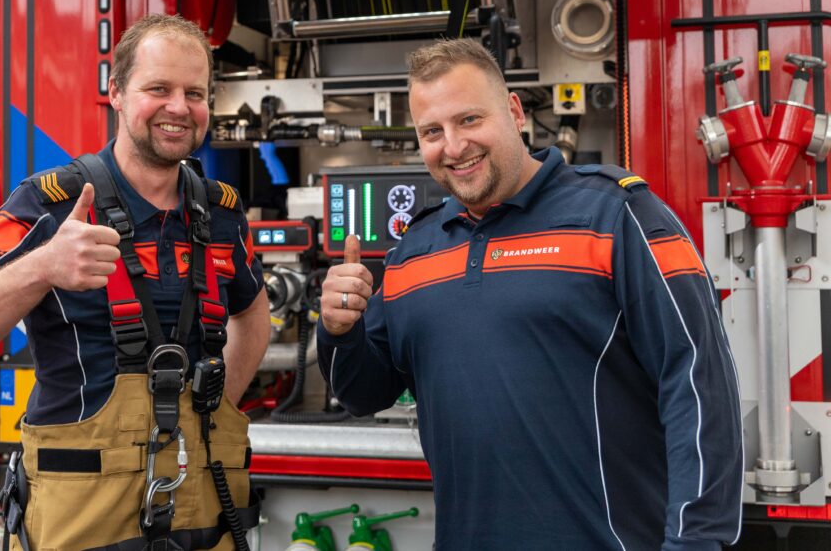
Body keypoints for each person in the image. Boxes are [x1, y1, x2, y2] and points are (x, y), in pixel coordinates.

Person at [318, 38, 743, 550]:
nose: (453, 146)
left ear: (515, 112)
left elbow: (697, 380)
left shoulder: (618, 215)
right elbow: (363, 394)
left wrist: (695, 542)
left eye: (469, 120)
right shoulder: (413, 252)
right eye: (432, 131)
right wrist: (339, 330)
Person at [0, 14, 270, 550]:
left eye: (194, 93)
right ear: (117, 93)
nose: (179, 107)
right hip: (81, 518)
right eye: (159, 89)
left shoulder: (222, 213)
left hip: (202, 512)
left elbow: (253, 313)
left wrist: (218, 409)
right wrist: (44, 265)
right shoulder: (50, 202)